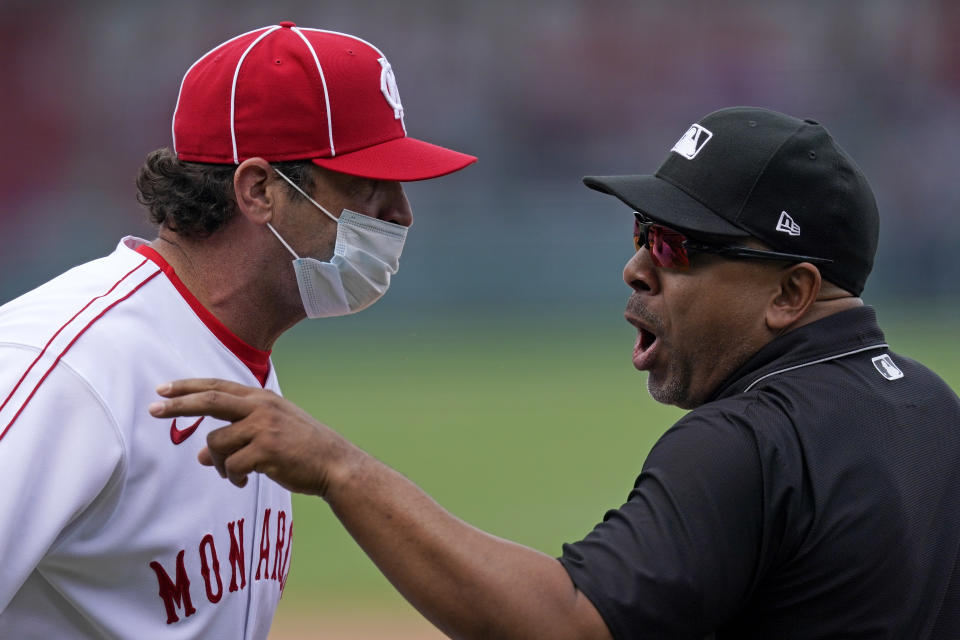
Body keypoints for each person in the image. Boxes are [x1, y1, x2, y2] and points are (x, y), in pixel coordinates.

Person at [149, 107, 960, 638]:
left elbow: (565, 625)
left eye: (678, 247)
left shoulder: (749, 443)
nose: (637, 268)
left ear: (791, 292)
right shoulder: (933, 406)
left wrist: (341, 469)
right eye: (645, 232)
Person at [0, 22, 475, 638]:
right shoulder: (70, 365)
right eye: (367, 185)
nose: (400, 213)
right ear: (259, 191)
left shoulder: (235, 358)